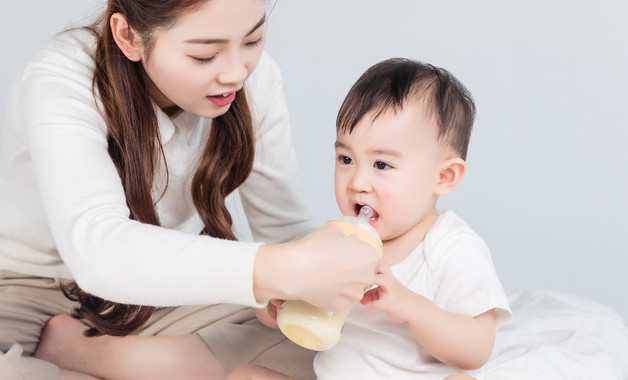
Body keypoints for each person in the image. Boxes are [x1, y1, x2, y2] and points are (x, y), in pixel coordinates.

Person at [0, 1, 381, 379]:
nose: (236, 73)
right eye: (205, 55)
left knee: (346, 357)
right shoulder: (62, 79)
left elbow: (285, 230)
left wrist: (293, 292)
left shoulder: (257, 80)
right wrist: (280, 269)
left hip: (159, 293)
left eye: (252, 40)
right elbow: (99, 252)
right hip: (22, 287)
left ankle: (97, 358)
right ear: (128, 36)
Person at [254, 58, 513, 379]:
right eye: (346, 159)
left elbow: (477, 349)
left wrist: (409, 307)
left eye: (381, 165)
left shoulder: (452, 247)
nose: (357, 182)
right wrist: (276, 305)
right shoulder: (337, 240)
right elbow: (301, 316)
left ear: (444, 176)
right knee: (246, 375)